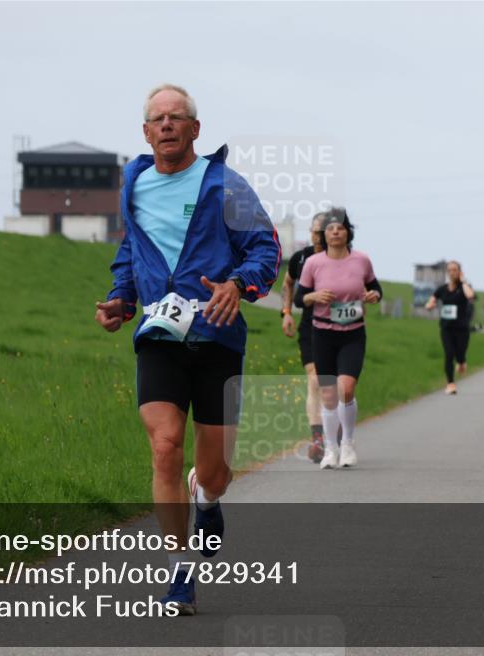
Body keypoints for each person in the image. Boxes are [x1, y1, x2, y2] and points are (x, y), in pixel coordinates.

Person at [95, 84, 280, 615]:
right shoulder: (134, 184)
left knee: (216, 471)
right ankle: (180, 572)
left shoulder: (225, 184)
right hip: (159, 337)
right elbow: (131, 250)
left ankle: (208, 495)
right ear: (146, 132)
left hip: (217, 337)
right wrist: (120, 300)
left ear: (195, 130)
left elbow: (265, 248)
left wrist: (237, 286)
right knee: (164, 445)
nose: (168, 125)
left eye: (178, 117)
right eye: (158, 118)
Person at [295, 208, 381, 469]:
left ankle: (348, 443)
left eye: (340, 228)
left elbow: (376, 288)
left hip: (353, 333)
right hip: (322, 333)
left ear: (348, 233)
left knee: (346, 388)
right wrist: (314, 297)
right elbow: (300, 297)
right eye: (331, 228)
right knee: (328, 393)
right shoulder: (313, 263)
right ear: (324, 234)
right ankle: (330, 449)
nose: (335, 232)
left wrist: (373, 296)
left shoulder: (361, 260)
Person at [281, 214, 327, 463]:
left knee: (338, 386)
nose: (317, 236)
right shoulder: (301, 258)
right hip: (309, 326)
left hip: (338, 329)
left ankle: (337, 426)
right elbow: (288, 284)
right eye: (315, 231)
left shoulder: (341, 257)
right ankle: (317, 437)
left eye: (323, 231)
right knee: (314, 380)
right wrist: (286, 313)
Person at [425, 261, 474, 394]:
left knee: (460, 355)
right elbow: (432, 300)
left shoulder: (464, 287)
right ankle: (450, 383)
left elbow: (470, 296)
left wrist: (463, 281)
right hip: (446, 328)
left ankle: (462, 361)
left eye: (454, 270)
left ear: (459, 272)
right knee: (449, 354)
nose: (452, 272)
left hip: (462, 328)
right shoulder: (442, 289)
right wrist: (430, 304)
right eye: (450, 270)